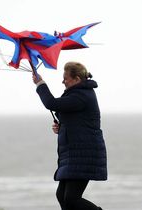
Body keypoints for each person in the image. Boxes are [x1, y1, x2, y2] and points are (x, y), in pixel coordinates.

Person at [32, 61, 107, 210]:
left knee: (71, 199)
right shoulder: (77, 94)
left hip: (84, 153)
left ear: (77, 79)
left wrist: (40, 83)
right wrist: (62, 127)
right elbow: (77, 120)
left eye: (65, 78)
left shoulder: (81, 95)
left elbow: (51, 103)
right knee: (62, 196)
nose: (63, 81)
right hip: (74, 153)